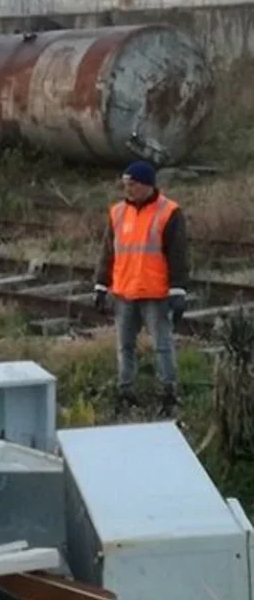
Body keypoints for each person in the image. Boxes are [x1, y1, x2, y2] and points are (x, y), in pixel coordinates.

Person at [92, 160, 190, 417]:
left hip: (155, 293)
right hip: (124, 292)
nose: (127, 189)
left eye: (132, 184)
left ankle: (168, 393)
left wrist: (178, 290)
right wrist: (101, 285)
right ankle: (126, 392)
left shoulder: (169, 212)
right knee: (124, 346)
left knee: (162, 345)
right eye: (125, 184)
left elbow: (178, 255)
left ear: (147, 184)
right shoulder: (117, 212)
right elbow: (108, 253)